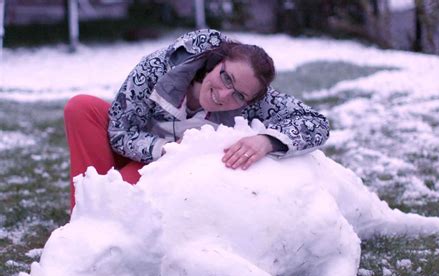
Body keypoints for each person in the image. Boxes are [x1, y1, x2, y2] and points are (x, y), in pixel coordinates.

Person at [64, 29, 330, 209]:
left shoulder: (256, 98)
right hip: (141, 145)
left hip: (166, 170)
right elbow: (121, 131)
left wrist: (267, 141)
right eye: (226, 78)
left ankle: (103, 212)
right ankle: (85, 211)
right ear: (216, 62)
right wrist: (164, 148)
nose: (224, 95)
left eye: (239, 96)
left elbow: (315, 122)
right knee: (82, 107)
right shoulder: (158, 67)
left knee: (120, 200)